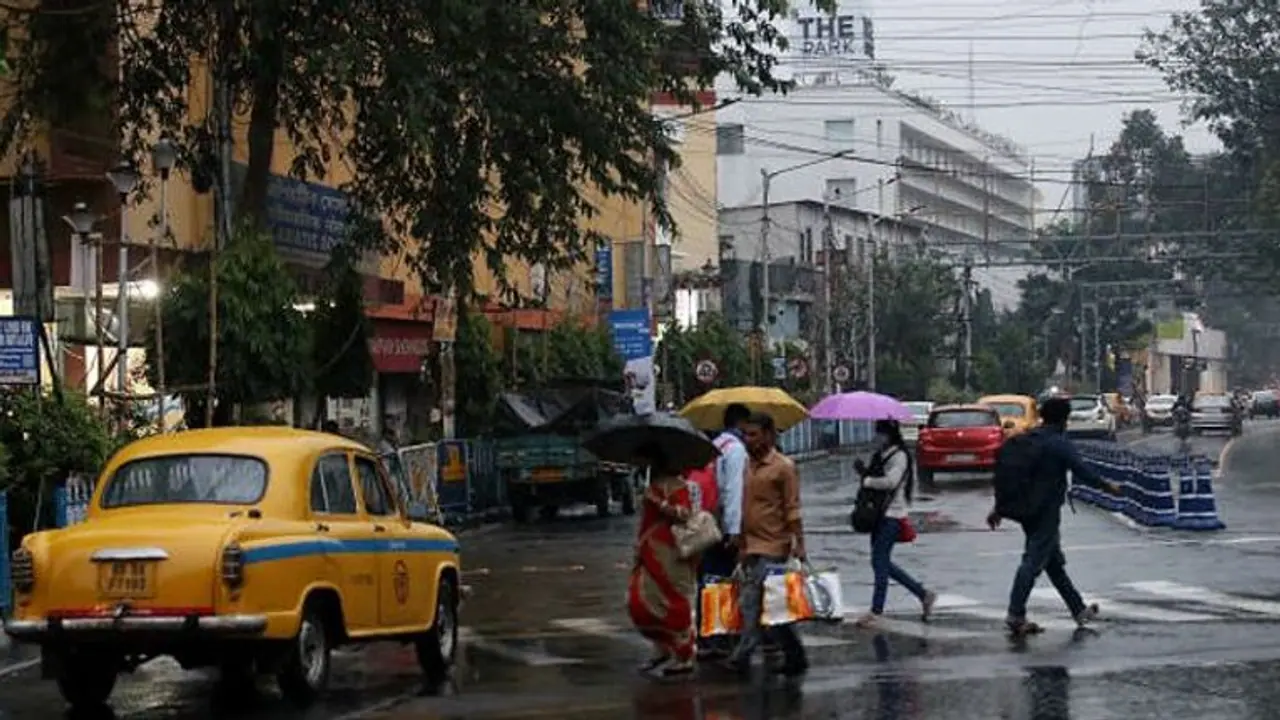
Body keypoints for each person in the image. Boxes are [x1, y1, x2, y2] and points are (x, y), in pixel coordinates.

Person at [987, 396, 1121, 636]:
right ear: (1064, 419)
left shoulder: (1029, 440)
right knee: (1032, 562)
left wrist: (999, 508)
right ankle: (1015, 614)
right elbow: (1082, 471)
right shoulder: (1059, 443)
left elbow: (1013, 478)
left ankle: (1078, 609)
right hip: (1045, 511)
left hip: (1026, 510)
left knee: (1053, 563)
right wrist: (1107, 486)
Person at [723, 412, 808, 677]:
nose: (748, 440)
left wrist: (799, 543)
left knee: (756, 603)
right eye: (746, 434)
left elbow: (792, 509)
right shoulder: (746, 466)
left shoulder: (784, 467)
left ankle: (743, 655)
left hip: (774, 546)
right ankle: (795, 655)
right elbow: (743, 503)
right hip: (751, 545)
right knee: (770, 606)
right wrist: (739, 539)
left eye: (754, 434)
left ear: (769, 435)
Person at [852, 419, 937, 628]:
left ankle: (876, 611)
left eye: (881, 433)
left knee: (880, 562)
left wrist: (868, 480)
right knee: (881, 563)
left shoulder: (899, 456)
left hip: (892, 515)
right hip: (878, 516)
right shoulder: (880, 455)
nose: (877, 437)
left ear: (889, 435)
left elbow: (891, 481)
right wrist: (864, 471)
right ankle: (923, 594)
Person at [628, 444, 698, 677]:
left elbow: (685, 514)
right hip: (650, 550)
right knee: (642, 601)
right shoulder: (651, 486)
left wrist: (659, 502)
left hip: (670, 552)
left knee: (674, 601)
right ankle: (661, 647)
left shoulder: (678, 486)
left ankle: (683, 654)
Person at [693, 403, 751, 660]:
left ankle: (708, 635)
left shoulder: (716, 445)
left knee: (710, 579)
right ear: (741, 423)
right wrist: (735, 531)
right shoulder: (736, 450)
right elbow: (733, 491)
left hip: (709, 521)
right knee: (724, 580)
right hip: (726, 526)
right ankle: (719, 635)